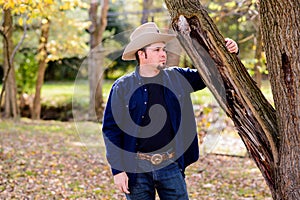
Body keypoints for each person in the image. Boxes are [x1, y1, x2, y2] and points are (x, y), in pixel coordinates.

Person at [102, 22, 238, 200]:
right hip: (136, 169)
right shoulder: (122, 87)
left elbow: (209, 74)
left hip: (170, 165)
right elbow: (111, 130)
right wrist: (118, 170)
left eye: (163, 49)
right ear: (141, 54)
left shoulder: (178, 77)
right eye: (157, 50)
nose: (163, 54)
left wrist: (228, 52)